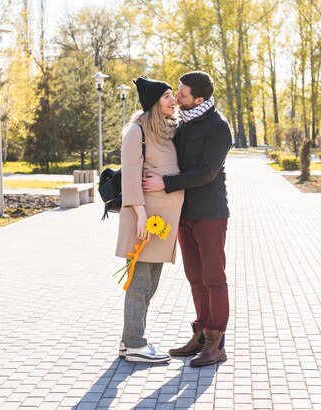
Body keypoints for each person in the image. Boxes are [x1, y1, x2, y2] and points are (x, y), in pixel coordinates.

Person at [142, 71, 233, 367]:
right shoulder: (181, 124)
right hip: (184, 213)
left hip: (210, 214)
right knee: (195, 277)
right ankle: (201, 333)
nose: (177, 97)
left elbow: (207, 172)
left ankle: (215, 342)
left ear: (199, 99)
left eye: (182, 93)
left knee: (213, 278)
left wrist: (165, 183)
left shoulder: (218, 127)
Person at [116, 76, 184, 364]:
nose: (173, 100)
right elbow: (131, 177)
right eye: (167, 96)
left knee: (150, 284)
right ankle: (134, 344)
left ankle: (129, 340)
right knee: (140, 283)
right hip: (145, 221)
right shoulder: (137, 131)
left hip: (162, 221)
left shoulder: (165, 130)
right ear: (154, 103)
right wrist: (141, 217)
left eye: (173, 95)